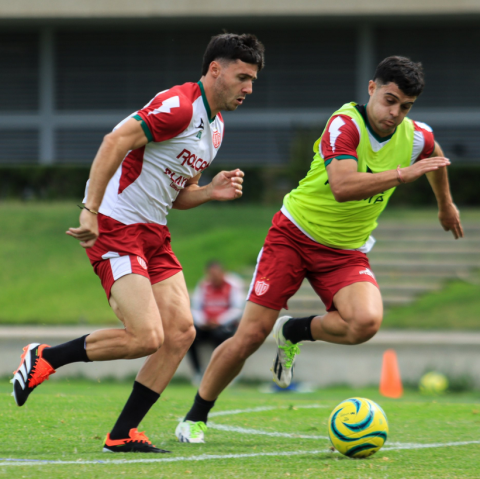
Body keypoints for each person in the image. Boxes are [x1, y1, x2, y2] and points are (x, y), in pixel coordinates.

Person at [175, 56, 464, 443]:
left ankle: (294, 331)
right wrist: (401, 174)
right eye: (390, 100)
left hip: (345, 251)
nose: (395, 114)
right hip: (293, 237)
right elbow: (343, 187)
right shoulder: (344, 124)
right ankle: (195, 417)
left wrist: (446, 205)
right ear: (372, 89)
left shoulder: (414, 136)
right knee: (250, 336)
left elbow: (435, 155)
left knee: (365, 323)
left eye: (405, 107)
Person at [11, 33, 265, 453]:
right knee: (146, 336)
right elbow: (115, 141)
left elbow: (177, 194)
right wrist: (89, 209)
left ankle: (123, 432)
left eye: (253, 80)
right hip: (115, 225)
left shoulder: (215, 129)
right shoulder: (179, 105)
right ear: (214, 70)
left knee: (181, 333)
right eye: (242, 77)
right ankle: (46, 358)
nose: (249, 89)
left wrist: (209, 192)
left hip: (153, 233)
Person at [188, 261, 244, 382]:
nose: (213, 277)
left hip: (226, 324)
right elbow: (196, 307)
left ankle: (227, 372)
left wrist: (218, 321)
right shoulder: (204, 284)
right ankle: (198, 372)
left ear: (222, 272)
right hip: (206, 324)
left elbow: (237, 309)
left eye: (216, 274)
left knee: (219, 336)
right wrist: (203, 321)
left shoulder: (233, 284)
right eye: (211, 274)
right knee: (189, 337)